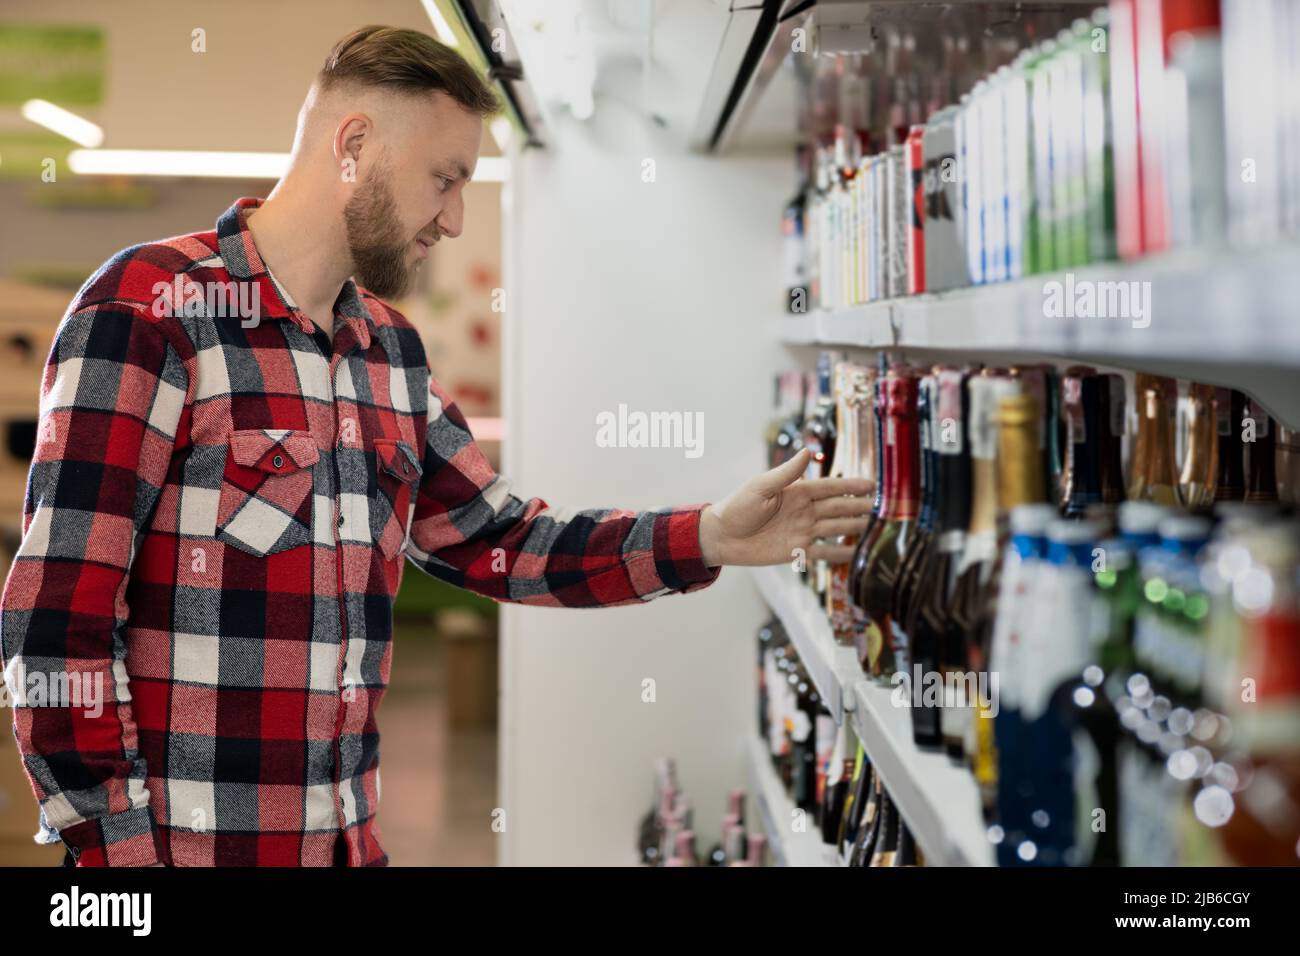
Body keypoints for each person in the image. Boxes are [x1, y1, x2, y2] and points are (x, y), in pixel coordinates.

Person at [0, 26, 871, 867]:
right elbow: (54, 620)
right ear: (353, 144)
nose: (455, 219)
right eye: (445, 179)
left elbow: (504, 542)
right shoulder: (150, 309)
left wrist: (710, 534)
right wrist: (118, 854)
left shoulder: (389, 351)